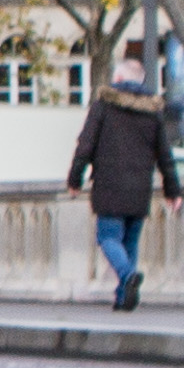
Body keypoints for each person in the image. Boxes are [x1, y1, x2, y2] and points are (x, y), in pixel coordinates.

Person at [67, 65, 174, 310]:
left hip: (109, 184)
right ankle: (124, 297)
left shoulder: (103, 106)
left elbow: (85, 146)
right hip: (140, 187)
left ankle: (127, 276)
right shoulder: (153, 110)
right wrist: (172, 190)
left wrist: (75, 180)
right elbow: (165, 154)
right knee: (130, 242)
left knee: (107, 238)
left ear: (117, 78)